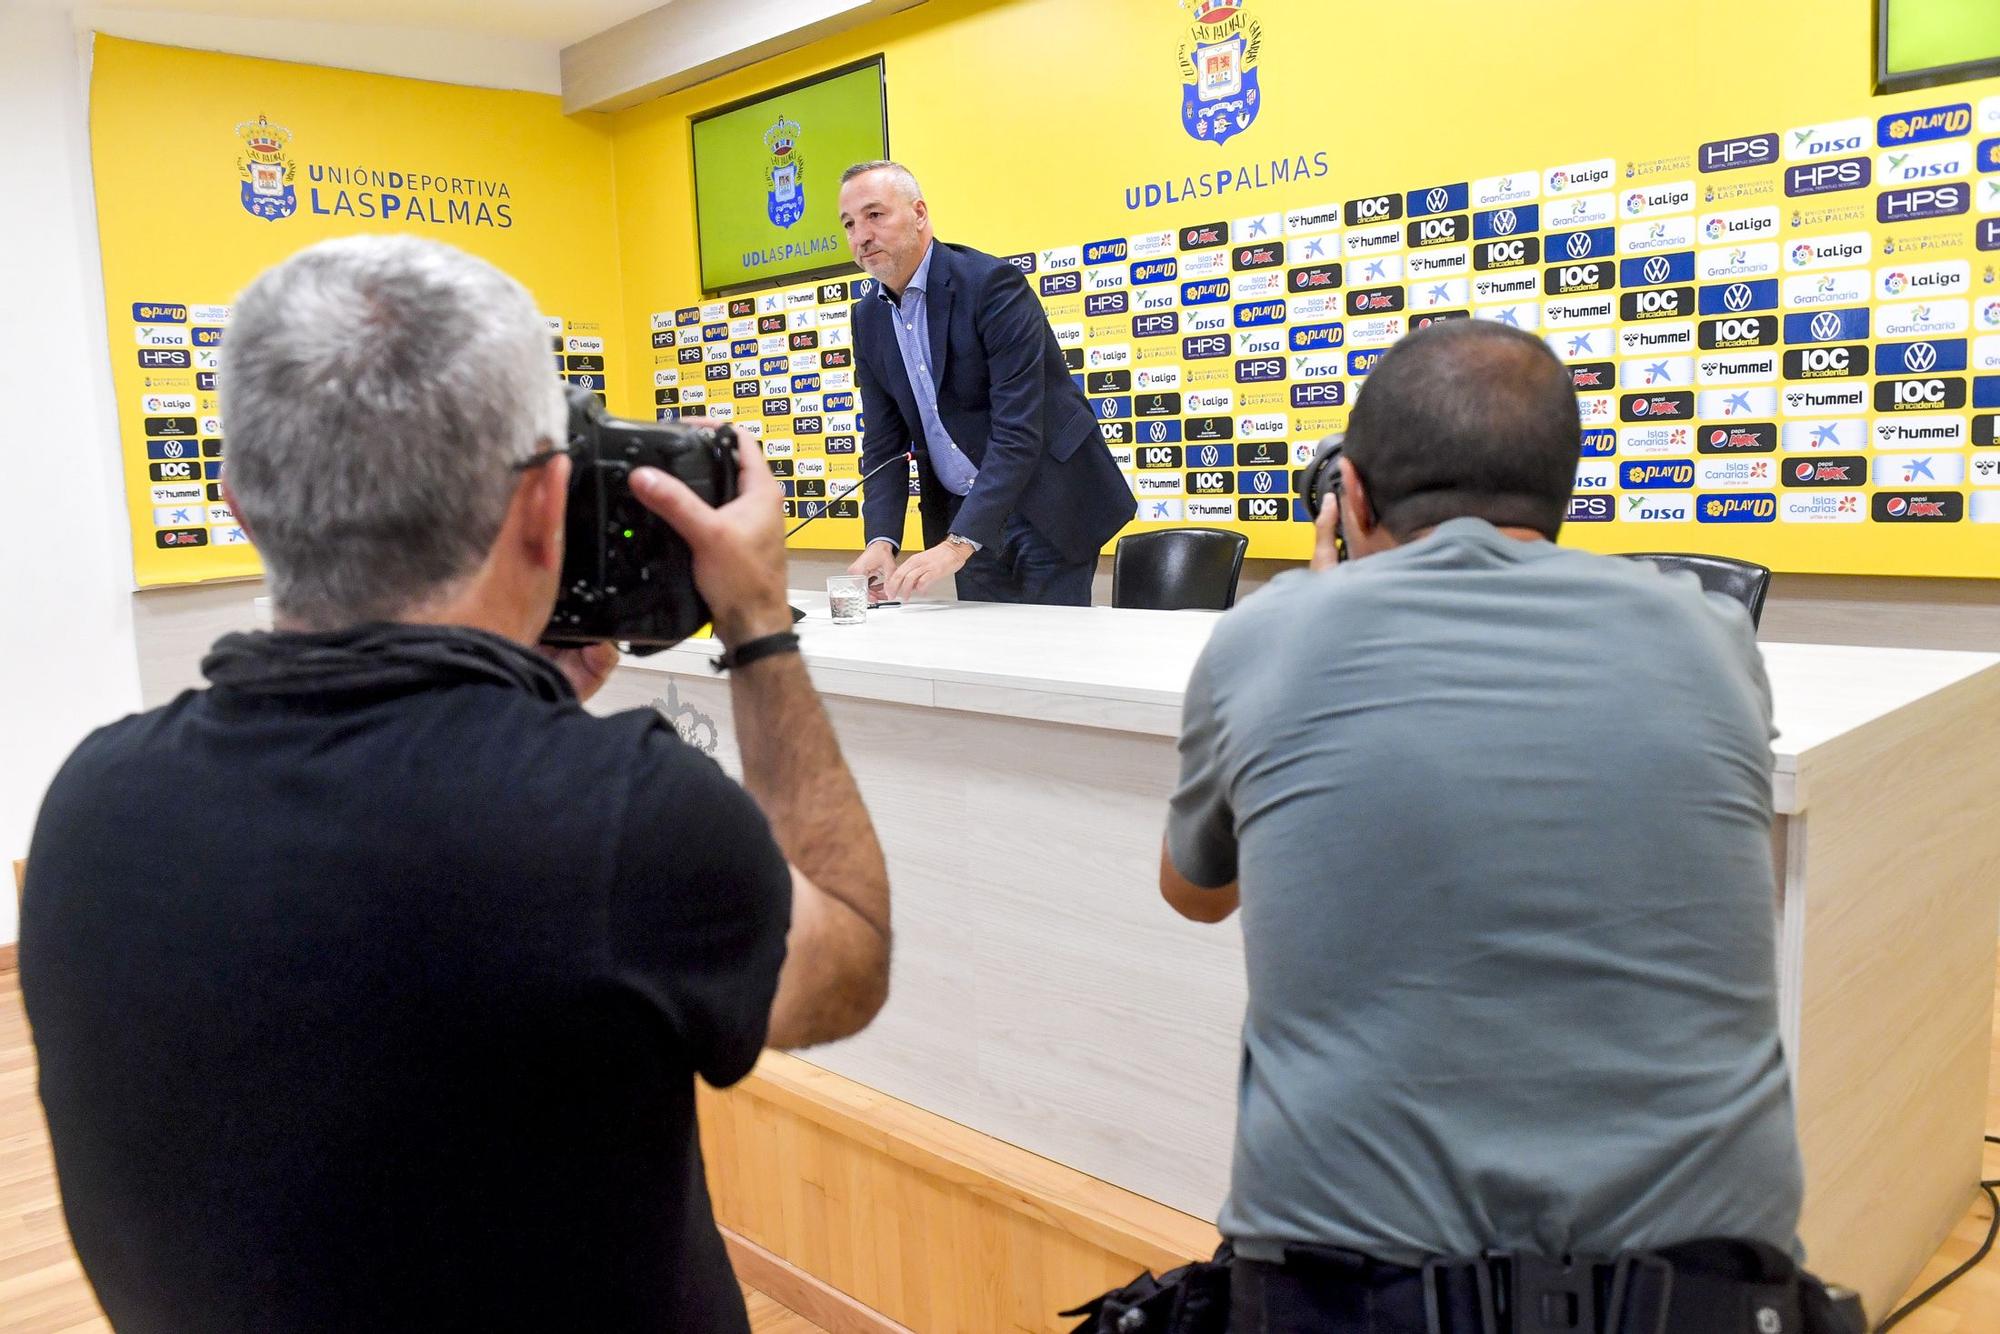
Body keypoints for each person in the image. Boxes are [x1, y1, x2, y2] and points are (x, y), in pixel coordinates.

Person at [22, 235, 892, 1333]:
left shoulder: (88, 806)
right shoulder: (624, 818)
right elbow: (846, 952)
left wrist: (518, 708)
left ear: (242, 508)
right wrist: (759, 621)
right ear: (541, 505)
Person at [1158, 320, 1854, 1332]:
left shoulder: (1265, 637)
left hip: (1350, 1286)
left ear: (1346, 497)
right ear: (1558, 495)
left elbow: (1194, 890)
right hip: (1704, 1286)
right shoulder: (1708, 635)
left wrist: (1322, 621)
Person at [838, 160, 1135, 606]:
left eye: (874, 215)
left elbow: (1019, 429)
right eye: (849, 224)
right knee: (982, 661)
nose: (861, 236)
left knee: (1044, 659)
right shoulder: (868, 318)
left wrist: (959, 544)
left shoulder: (991, 285)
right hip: (965, 511)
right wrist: (882, 539)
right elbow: (885, 444)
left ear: (919, 214)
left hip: (1047, 499)